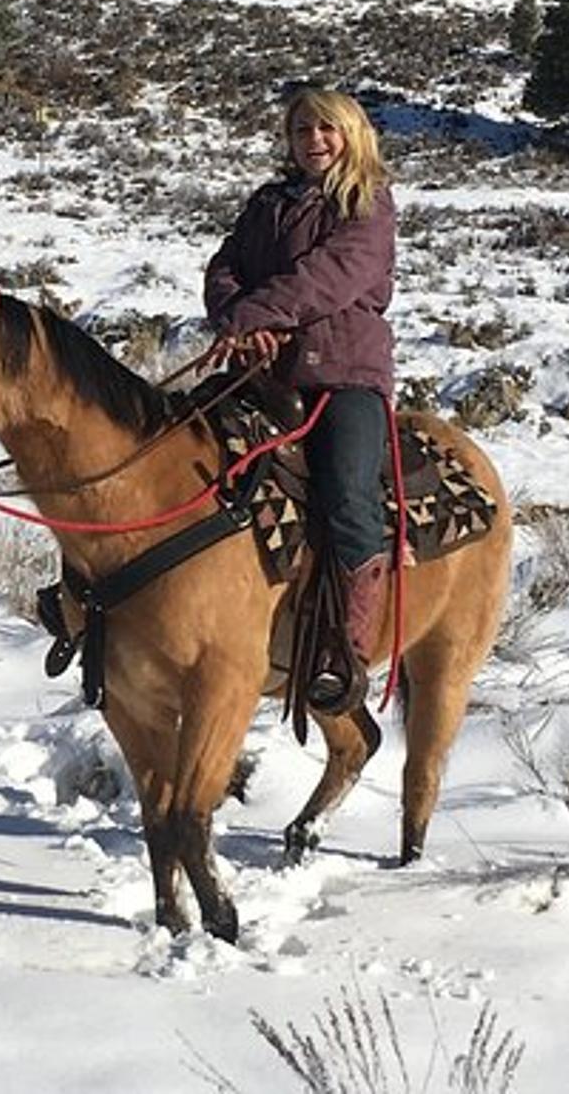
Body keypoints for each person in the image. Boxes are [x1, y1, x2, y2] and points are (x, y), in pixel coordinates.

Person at [203, 86, 397, 715]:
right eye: (300, 130)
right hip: (263, 373)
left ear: (351, 133)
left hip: (342, 373)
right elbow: (224, 266)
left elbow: (330, 279)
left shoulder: (368, 203)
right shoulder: (267, 203)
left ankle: (347, 648)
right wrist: (236, 317)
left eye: (325, 128)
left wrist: (254, 315)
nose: (313, 140)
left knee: (346, 492)